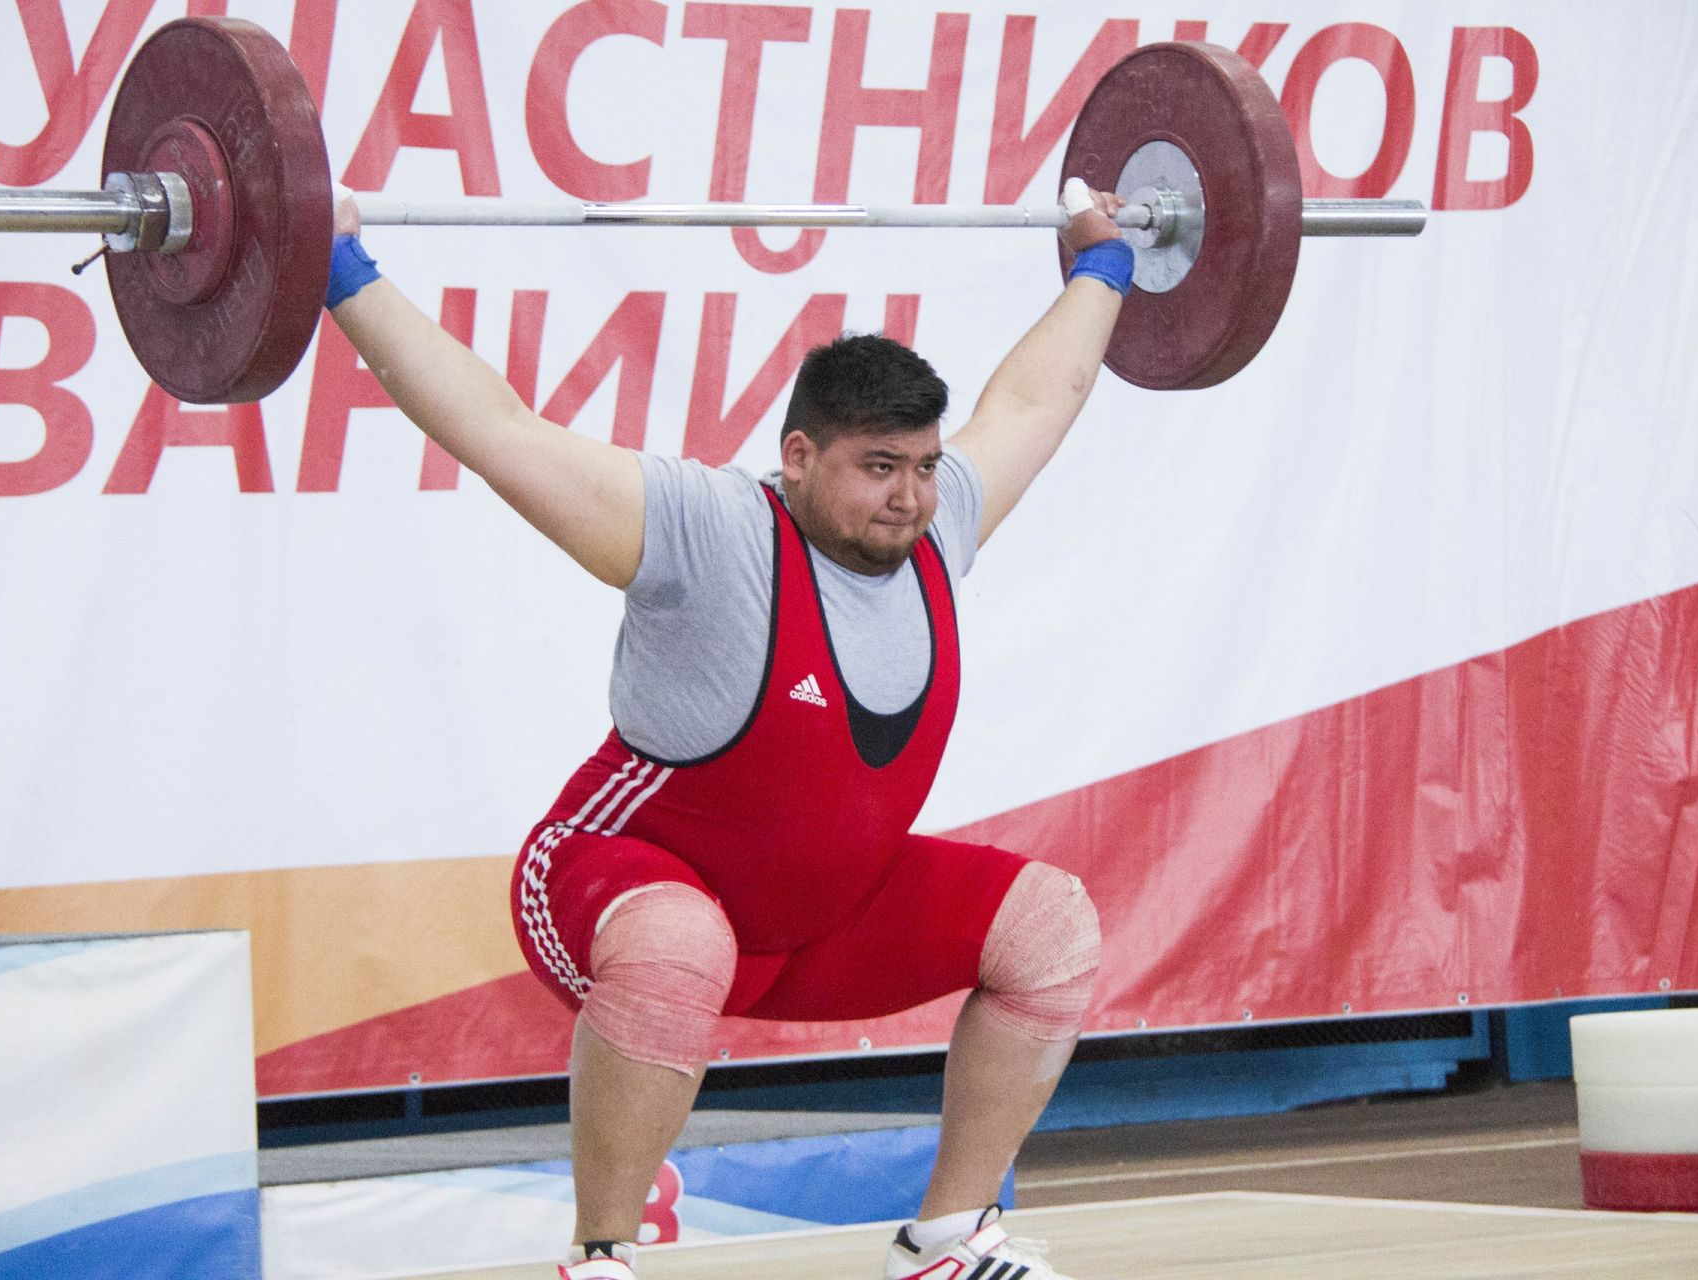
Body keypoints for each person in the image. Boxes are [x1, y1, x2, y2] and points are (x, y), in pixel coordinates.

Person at [328, 178, 1135, 1280]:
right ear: (799, 456)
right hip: (611, 885)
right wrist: (341, 273)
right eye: (877, 467)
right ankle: (602, 1256)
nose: (909, 498)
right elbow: (497, 428)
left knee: (1051, 927)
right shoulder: (709, 530)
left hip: (808, 921)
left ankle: (948, 1239)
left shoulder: (941, 534)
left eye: (924, 467)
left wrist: (1105, 263)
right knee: (680, 947)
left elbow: (1042, 397)